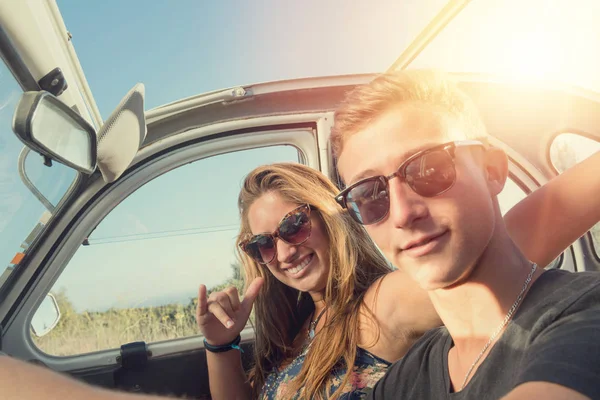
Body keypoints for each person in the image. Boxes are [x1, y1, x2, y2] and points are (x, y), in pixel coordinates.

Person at [196, 134, 600, 397]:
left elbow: (503, 242)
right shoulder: (296, 327)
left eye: (294, 225)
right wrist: (221, 346)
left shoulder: (378, 306)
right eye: (263, 244)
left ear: (331, 220)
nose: (283, 253)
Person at [329, 69, 600, 399]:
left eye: (429, 168)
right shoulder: (412, 372)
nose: (402, 214)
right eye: (368, 195)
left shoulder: (584, 313)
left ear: (492, 171)